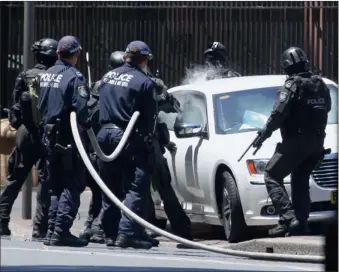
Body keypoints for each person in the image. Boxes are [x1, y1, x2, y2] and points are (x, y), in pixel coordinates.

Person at [252, 47, 332, 237]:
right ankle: (301, 223)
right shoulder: (320, 84)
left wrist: (263, 134)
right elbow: (326, 108)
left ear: (287, 66)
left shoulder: (291, 85)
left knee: (271, 174)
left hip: (297, 140)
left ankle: (288, 218)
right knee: (300, 179)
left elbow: (278, 114)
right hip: (317, 142)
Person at [97, 40, 157, 249]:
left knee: (110, 187)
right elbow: (150, 117)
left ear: (125, 56)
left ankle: (110, 233)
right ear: (145, 59)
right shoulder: (144, 82)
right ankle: (128, 233)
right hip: (129, 136)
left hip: (104, 135)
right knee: (135, 187)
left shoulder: (107, 76)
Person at [0, 38, 58, 241]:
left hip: (25, 133)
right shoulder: (56, 77)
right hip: (47, 134)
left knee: (15, 178)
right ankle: (39, 228)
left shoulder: (25, 75)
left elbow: (15, 105)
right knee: (45, 181)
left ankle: (1, 220)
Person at [38, 35, 90, 247]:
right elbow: (82, 110)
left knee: (55, 186)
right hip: (68, 138)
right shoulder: (75, 77)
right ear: (76, 54)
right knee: (72, 184)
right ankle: (61, 231)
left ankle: (52, 230)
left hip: (48, 137)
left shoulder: (47, 74)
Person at [79, 50, 125, 244]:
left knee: (100, 192)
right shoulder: (112, 89)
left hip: (95, 147)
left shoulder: (99, 87)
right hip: (103, 147)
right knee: (109, 191)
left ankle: (91, 226)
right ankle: (98, 227)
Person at [145, 70, 192, 241]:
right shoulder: (148, 83)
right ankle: (181, 228)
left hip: (121, 145)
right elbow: (172, 107)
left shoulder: (111, 83)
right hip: (147, 146)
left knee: (133, 189)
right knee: (161, 187)